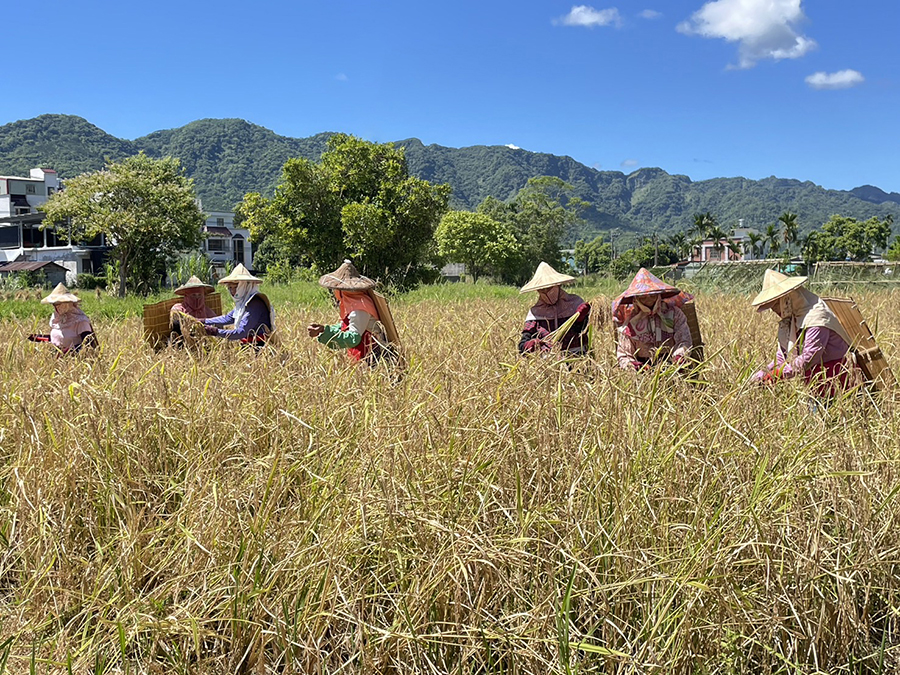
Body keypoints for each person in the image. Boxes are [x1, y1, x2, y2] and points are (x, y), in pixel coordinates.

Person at [750, 270, 857, 394]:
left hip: (837, 378)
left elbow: (809, 357)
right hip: (814, 382)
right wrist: (761, 374)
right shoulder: (791, 321)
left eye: (775, 305)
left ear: (787, 300)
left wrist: (777, 374)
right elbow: (782, 357)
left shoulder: (816, 317)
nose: (774, 311)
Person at [307, 260, 390, 364]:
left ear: (343, 291)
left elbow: (352, 339)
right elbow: (346, 326)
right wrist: (324, 330)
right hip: (366, 354)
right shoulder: (356, 303)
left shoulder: (359, 308)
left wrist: (326, 333)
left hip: (372, 356)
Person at [612, 268, 693, 370]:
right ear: (636, 299)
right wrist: (635, 366)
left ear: (658, 295)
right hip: (643, 371)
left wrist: (679, 357)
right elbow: (624, 354)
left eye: (652, 295)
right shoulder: (630, 322)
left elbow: (684, 340)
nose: (648, 299)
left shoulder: (674, 314)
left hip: (672, 366)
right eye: (643, 296)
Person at [518, 262, 591, 356]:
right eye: (542, 290)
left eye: (549, 288)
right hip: (549, 363)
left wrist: (580, 319)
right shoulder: (536, 313)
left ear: (558, 286)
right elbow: (523, 344)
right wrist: (528, 345)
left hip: (577, 358)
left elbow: (583, 331)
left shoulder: (575, 303)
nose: (546, 292)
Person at [203, 264, 274, 346]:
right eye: (230, 288)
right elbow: (228, 318)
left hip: (259, 346)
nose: (233, 292)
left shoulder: (254, 303)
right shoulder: (243, 303)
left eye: (236, 287)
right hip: (248, 344)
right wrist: (204, 321)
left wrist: (215, 331)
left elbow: (241, 332)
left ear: (246, 286)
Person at [27, 283, 98, 354]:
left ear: (68, 303)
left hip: (74, 361)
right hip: (56, 359)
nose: (55, 307)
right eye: (54, 304)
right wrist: (39, 338)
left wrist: (67, 352)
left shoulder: (81, 321)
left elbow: (88, 346)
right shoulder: (56, 318)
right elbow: (59, 337)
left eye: (58, 303)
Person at [169, 276, 217, 343]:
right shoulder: (178, 308)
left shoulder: (208, 312)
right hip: (183, 343)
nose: (197, 298)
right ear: (186, 296)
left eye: (199, 295)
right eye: (193, 295)